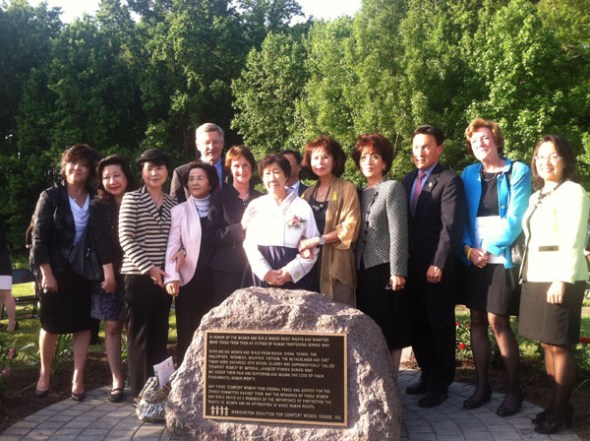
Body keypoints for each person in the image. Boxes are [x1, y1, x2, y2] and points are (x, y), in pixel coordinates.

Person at [460, 118, 531, 416]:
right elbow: (461, 217)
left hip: (501, 256)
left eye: (485, 138)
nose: (480, 144)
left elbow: (516, 218)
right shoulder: (467, 174)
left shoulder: (518, 171)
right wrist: (468, 250)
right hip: (474, 255)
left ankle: (514, 392)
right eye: (475, 141)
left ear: (496, 140)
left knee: (497, 320)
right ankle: (482, 387)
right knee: (476, 319)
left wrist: (487, 249)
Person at [518, 135, 589, 434]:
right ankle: (556, 404)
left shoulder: (574, 192)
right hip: (536, 275)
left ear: (565, 160)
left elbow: (574, 238)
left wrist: (561, 278)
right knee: (547, 343)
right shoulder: (536, 196)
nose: (545, 161)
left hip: (561, 277)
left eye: (553, 155)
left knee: (559, 345)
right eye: (540, 156)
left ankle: (560, 412)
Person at [401, 125, 466, 408]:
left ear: (439, 148)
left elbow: (450, 227)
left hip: (436, 269)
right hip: (411, 268)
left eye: (426, 146)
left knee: (439, 325)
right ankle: (427, 374)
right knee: (417, 324)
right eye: (416, 147)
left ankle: (441, 382)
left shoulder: (449, 180)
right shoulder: (406, 180)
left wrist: (438, 263)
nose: (420, 152)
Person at [30, 143, 101, 400]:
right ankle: (45, 374)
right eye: (73, 162)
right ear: (64, 166)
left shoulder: (96, 196)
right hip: (55, 270)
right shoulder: (50, 196)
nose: (77, 168)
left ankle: (78, 378)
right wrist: (47, 273)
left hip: (85, 271)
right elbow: (39, 237)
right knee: (50, 324)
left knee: (82, 325)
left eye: (83, 164)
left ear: (90, 169)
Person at [119, 148, 176, 402]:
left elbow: (176, 238)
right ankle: (139, 391)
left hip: (164, 277)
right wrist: (150, 268)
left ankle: (158, 387)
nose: (155, 173)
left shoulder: (174, 202)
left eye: (160, 168)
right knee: (139, 333)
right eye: (149, 168)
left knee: (160, 331)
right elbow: (126, 239)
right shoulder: (132, 199)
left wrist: (172, 265)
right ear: (141, 172)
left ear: (167, 171)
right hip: (138, 275)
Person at [353, 133, 410, 374]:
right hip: (362, 272)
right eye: (364, 156)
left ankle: (392, 382)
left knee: (391, 328)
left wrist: (398, 271)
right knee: (369, 327)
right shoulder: (355, 192)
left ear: (384, 162)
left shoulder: (392, 188)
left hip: (385, 268)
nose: (369, 161)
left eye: (375, 156)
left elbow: (399, 232)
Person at [90, 154, 137, 402]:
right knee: (112, 325)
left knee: (134, 326)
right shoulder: (98, 206)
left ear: (126, 175)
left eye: (116, 174)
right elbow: (101, 241)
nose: (112, 181)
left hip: (136, 271)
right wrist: (109, 273)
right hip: (109, 271)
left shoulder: (139, 199)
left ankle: (137, 375)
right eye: (106, 177)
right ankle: (117, 378)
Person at [165, 161, 219, 365]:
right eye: (191, 178)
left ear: (210, 182)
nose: (195, 182)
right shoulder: (179, 210)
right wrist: (172, 276)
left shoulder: (220, 205)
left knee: (213, 328)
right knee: (188, 328)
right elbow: (173, 245)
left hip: (216, 277)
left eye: (200, 178)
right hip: (190, 278)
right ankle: (186, 372)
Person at [243, 153, 319, 290]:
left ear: (286, 176)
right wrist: (265, 272)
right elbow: (249, 244)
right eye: (267, 173)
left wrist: (290, 271)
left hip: (294, 274)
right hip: (261, 273)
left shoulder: (302, 206)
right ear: (262, 178)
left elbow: (312, 245)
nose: (272, 178)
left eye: (276, 172)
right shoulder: (255, 206)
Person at [299, 136, 360, 306]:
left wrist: (317, 240)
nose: (320, 162)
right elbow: (296, 228)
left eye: (325, 157)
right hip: (310, 264)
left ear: (335, 160)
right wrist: (302, 243)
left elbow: (350, 228)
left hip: (337, 265)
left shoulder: (347, 189)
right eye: (315, 158)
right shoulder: (307, 194)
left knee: (341, 316)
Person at [208, 146, 262, 305]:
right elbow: (212, 236)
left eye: (245, 165)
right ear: (229, 169)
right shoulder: (218, 198)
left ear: (251, 167)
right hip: (226, 270)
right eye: (236, 165)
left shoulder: (261, 198)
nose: (241, 170)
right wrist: (241, 226)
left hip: (257, 268)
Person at [170, 123, 228, 202]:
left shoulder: (234, 170)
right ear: (198, 145)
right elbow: (175, 207)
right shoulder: (182, 173)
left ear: (222, 144)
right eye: (206, 143)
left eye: (215, 142)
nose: (211, 147)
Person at [0, 214, 17, 331]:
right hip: (4, 262)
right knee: (4, 295)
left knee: (5, 294)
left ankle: (12, 323)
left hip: (2, 263)